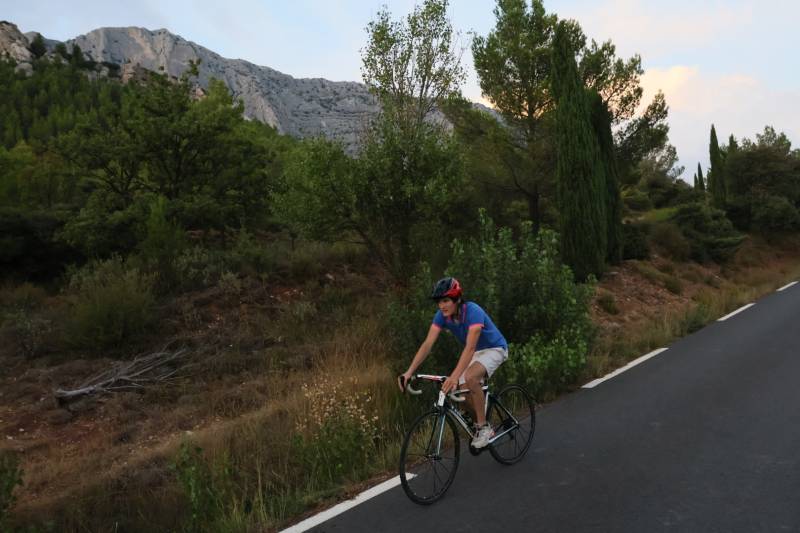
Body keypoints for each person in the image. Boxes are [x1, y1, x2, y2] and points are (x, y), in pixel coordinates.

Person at [398, 277, 508, 448]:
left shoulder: (473, 311)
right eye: (439, 302)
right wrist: (409, 371)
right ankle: (481, 417)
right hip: (476, 353)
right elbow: (427, 344)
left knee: (470, 378)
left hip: (495, 349)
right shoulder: (442, 317)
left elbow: (470, 348)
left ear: (457, 299)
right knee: (459, 392)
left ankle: (484, 427)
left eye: (446, 300)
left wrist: (454, 376)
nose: (442, 306)